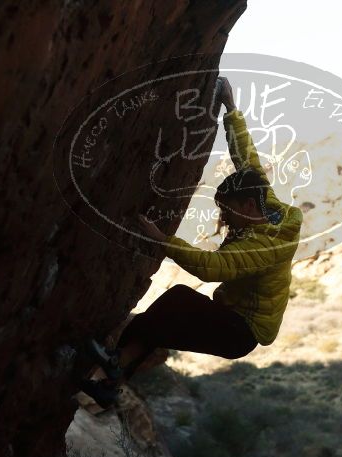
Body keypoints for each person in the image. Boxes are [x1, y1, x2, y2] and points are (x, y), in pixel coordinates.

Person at [78, 76, 303, 408]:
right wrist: (231, 108)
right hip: (231, 317)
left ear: (247, 207)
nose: (225, 220)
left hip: (241, 333)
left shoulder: (267, 244)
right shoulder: (265, 206)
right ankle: (111, 381)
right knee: (148, 325)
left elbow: (213, 268)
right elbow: (248, 161)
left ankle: (114, 372)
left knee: (174, 304)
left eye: (229, 213)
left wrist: (161, 239)